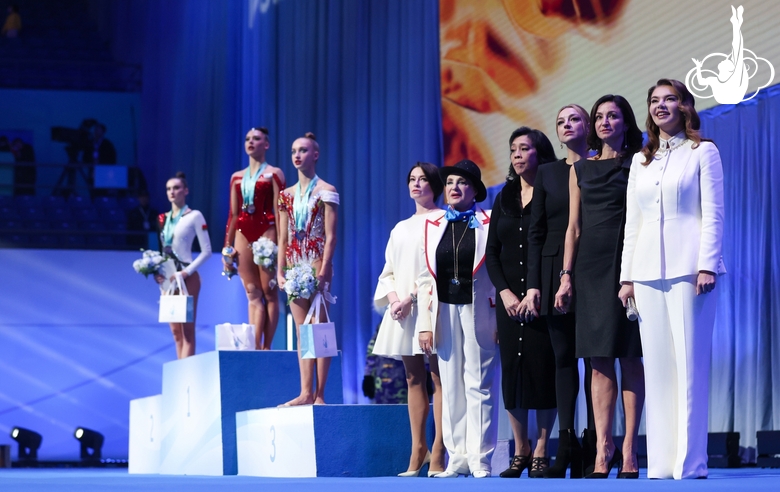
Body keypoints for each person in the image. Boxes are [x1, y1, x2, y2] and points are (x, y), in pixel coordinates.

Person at [619, 79, 725, 480]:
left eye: (669, 99)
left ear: (685, 106)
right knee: (659, 369)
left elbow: (714, 212)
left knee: (689, 366)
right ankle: (661, 462)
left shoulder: (703, 152)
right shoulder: (640, 160)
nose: (661, 106)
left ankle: (691, 462)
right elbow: (634, 222)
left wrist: (708, 263)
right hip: (646, 272)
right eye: (654, 101)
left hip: (690, 269)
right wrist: (627, 276)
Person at [555, 94, 645, 478]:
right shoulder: (581, 169)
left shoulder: (640, 161)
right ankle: (602, 445)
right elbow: (573, 227)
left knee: (629, 355)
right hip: (589, 266)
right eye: (600, 117)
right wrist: (565, 276)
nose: (606, 122)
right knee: (597, 359)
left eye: (614, 116)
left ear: (626, 122)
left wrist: (636, 272)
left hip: (627, 263)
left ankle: (629, 447)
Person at [522, 104, 596, 478]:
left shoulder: (603, 165)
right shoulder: (548, 173)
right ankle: (565, 446)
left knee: (597, 360)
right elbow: (535, 232)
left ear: (589, 126)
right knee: (563, 358)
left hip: (597, 267)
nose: (567, 126)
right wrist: (534, 284)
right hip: (553, 272)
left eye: (574, 119)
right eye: (560, 122)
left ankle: (597, 444)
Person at [417, 159, 498, 479]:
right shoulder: (433, 224)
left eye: (461, 182)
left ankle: (481, 457)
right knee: (449, 385)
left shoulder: (490, 220)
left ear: (475, 190)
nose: (453, 187)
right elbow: (425, 279)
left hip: (479, 308)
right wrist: (425, 324)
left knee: (480, 382)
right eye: (449, 182)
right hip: (445, 309)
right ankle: (457, 455)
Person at [486, 128, 558, 478]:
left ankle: (543, 448)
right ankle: (521, 448)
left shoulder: (552, 190)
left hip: (542, 294)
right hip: (509, 300)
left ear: (539, 152)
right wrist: (505, 293)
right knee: (513, 372)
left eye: (524, 148)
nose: (516, 154)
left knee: (543, 369)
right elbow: (492, 253)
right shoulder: (504, 196)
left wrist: (534, 289)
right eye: (512, 148)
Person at [373, 162, 446, 477]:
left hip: (432, 306)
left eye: (423, 179)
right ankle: (419, 448)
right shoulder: (400, 227)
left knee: (438, 379)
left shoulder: (443, 220)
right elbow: (387, 271)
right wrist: (394, 301)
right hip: (402, 311)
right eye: (412, 180)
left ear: (435, 184)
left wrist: (411, 299)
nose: (417, 184)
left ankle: (441, 450)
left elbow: (438, 269)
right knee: (413, 378)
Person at [277, 132, 338, 406]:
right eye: (293, 151)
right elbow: (282, 237)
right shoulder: (285, 195)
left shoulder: (327, 190)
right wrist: (280, 271)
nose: (297, 155)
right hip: (293, 263)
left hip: (315, 262)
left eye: (302, 150)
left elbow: (331, 235)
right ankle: (305, 391)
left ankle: (321, 394)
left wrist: (324, 270)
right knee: (302, 331)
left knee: (319, 328)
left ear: (315, 155)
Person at [223, 127, 285, 350]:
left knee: (269, 292)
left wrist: (283, 244)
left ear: (266, 145)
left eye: (256, 139)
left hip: (267, 232)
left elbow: (281, 212)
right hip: (242, 233)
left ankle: (265, 347)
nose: (251, 142)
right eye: (247, 138)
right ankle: (253, 346)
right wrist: (227, 247)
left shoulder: (274, 174)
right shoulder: (237, 177)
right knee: (252, 292)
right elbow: (233, 214)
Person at [155, 172, 212, 359]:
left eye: (177, 188)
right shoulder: (163, 219)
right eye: (169, 189)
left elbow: (207, 251)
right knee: (175, 332)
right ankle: (178, 376)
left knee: (187, 330)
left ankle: (186, 376)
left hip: (187, 278)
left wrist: (186, 272)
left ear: (185, 191)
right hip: (168, 279)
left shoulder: (194, 216)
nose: (172, 192)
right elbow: (163, 251)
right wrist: (158, 273)